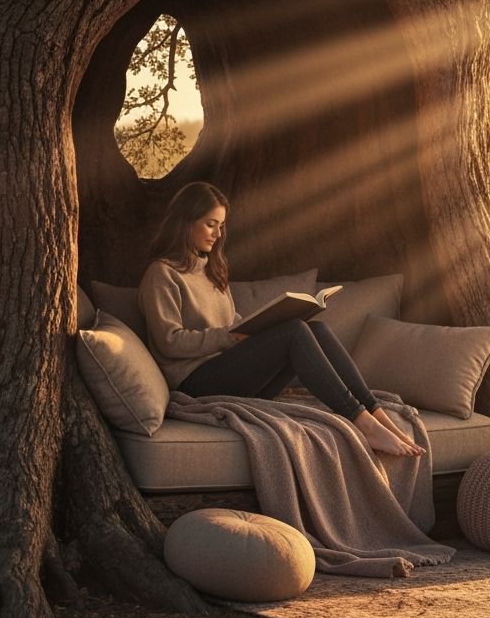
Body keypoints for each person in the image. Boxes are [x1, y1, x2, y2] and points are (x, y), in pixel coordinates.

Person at [138, 181, 424, 458]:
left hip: (231, 374)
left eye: (221, 225)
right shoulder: (162, 274)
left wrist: (256, 325)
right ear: (185, 222)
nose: (218, 233)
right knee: (294, 332)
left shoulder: (211, 270)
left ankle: (376, 413)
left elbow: (228, 320)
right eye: (210, 224)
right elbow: (168, 341)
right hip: (196, 382)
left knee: (316, 329)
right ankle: (362, 422)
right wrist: (229, 336)